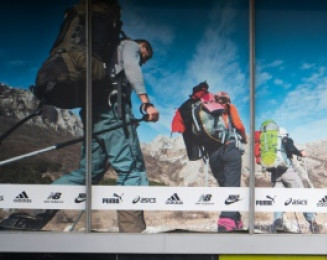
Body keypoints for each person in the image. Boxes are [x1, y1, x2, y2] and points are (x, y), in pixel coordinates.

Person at [28, 39, 159, 232]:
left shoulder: (107, 54)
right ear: (143, 46)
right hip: (113, 112)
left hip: (94, 115)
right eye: (144, 57)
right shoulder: (130, 45)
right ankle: (132, 237)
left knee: (87, 173)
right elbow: (132, 69)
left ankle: (34, 213)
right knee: (132, 171)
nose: (143, 61)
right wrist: (146, 103)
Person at [171, 83, 247, 232]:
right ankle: (226, 221)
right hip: (230, 148)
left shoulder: (205, 109)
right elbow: (238, 125)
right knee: (232, 187)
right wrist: (244, 138)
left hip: (213, 154)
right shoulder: (230, 107)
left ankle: (236, 219)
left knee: (225, 186)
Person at [270, 128, 318, 233]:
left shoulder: (270, 143)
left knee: (278, 198)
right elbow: (291, 148)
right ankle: (312, 221)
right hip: (287, 171)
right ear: (285, 134)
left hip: (275, 174)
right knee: (301, 194)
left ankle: (278, 222)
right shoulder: (285, 139)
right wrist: (300, 153)